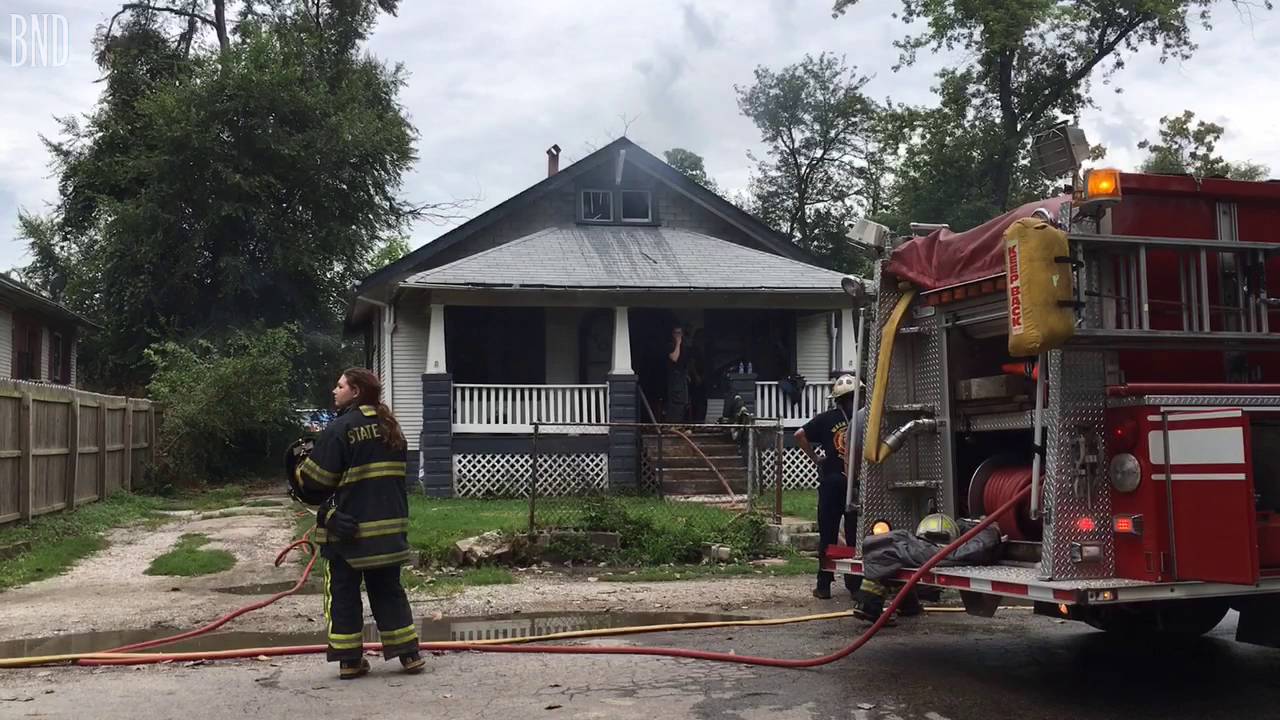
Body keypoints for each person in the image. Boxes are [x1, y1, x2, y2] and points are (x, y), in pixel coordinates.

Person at [293, 368, 425, 680]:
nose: (334, 390)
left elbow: (315, 482)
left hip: (347, 532)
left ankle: (349, 660)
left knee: (342, 593)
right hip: (389, 532)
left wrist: (298, 468)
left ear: (355, 392)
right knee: (388, 591)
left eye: (340, 386)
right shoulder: (391, 428)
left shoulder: (340, 429)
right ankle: (409, 654)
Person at [794, 374, 867, 600]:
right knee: (854, 535)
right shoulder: (864, 419)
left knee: (828, 533)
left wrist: (816, 458)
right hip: (854, 483)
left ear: (837, 399)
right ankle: (855, 586)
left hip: (831, 482)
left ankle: (823, 586)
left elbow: (799, 435)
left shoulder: (826, 419)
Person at [664, 324, 691, 423]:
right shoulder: (670, 345)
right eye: (676, 333)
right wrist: (678, 343)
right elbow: (674, 358)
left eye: (680, 333)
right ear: (673, 334)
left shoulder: (685, 347)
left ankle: (680, 424)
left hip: (682, 379)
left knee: (684, 403)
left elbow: (685, 363)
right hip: (674, 379)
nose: (678, 335)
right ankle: (673, 424)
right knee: (675, 403)